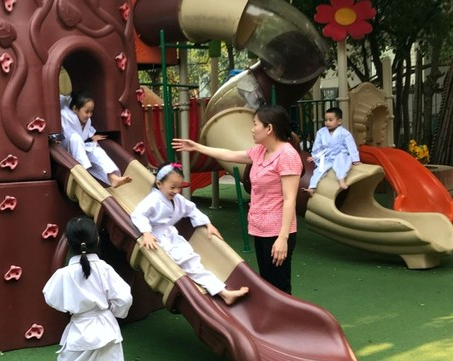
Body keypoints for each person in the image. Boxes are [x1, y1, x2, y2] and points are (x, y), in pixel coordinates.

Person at [24, 217, 139, 361]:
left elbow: (51, 296)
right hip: (107, 330)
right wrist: (114, 311)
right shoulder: (104, 269)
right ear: (97, 239)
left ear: (69, 242)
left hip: (81, 332)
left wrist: (73, 307)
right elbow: (124, 297)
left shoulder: (64, 274)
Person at [173, 105, 302, 294]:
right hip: (261, 228)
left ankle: (286, 314)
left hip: (277, 231)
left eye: (255, 124)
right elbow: (229, 154)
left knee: (279, 287)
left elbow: (289, 199)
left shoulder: (287, 155)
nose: (252, 129)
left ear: (269, 128)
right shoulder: (260, 151)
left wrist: (283, 238)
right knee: (267, 284)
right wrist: (197, 147)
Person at [130, 163, 249, 305]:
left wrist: (207, 223)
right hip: (158, 239)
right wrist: (146, 232)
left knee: (192, 261)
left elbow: (191, 209)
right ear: (159, 184)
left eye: (179, 187)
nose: (176, 191)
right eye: (172, 187)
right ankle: (223, 293)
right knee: (189, 263)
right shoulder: (153, 200)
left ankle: (223, 293)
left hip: (171, 236)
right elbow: (138, 214)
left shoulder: (177, 199)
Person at [60, 91, 132, 188]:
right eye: (86, 112)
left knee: (97, 151)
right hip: (65, 152)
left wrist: (90, 137)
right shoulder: (64, 117)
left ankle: (113, 178)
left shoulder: (87, 121)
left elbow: (84, 132)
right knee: (75, 138)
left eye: (91, 112)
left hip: (79, 148)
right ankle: (84, 174)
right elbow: (69, 136)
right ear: (75, 109)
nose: (89, 115)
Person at [304, 107, 360, 193]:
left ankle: (341, 180)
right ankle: (312, 188)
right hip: (326, 156)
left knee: (342, 163)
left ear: (339, 121)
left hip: (340, 154)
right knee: (319, 170)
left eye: (330, 120)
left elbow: (351, 146)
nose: (327, 122)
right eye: (326, 120)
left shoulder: (344, 133)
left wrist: (355, 159)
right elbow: (317, 146)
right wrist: (315, 156)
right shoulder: (321, 132)